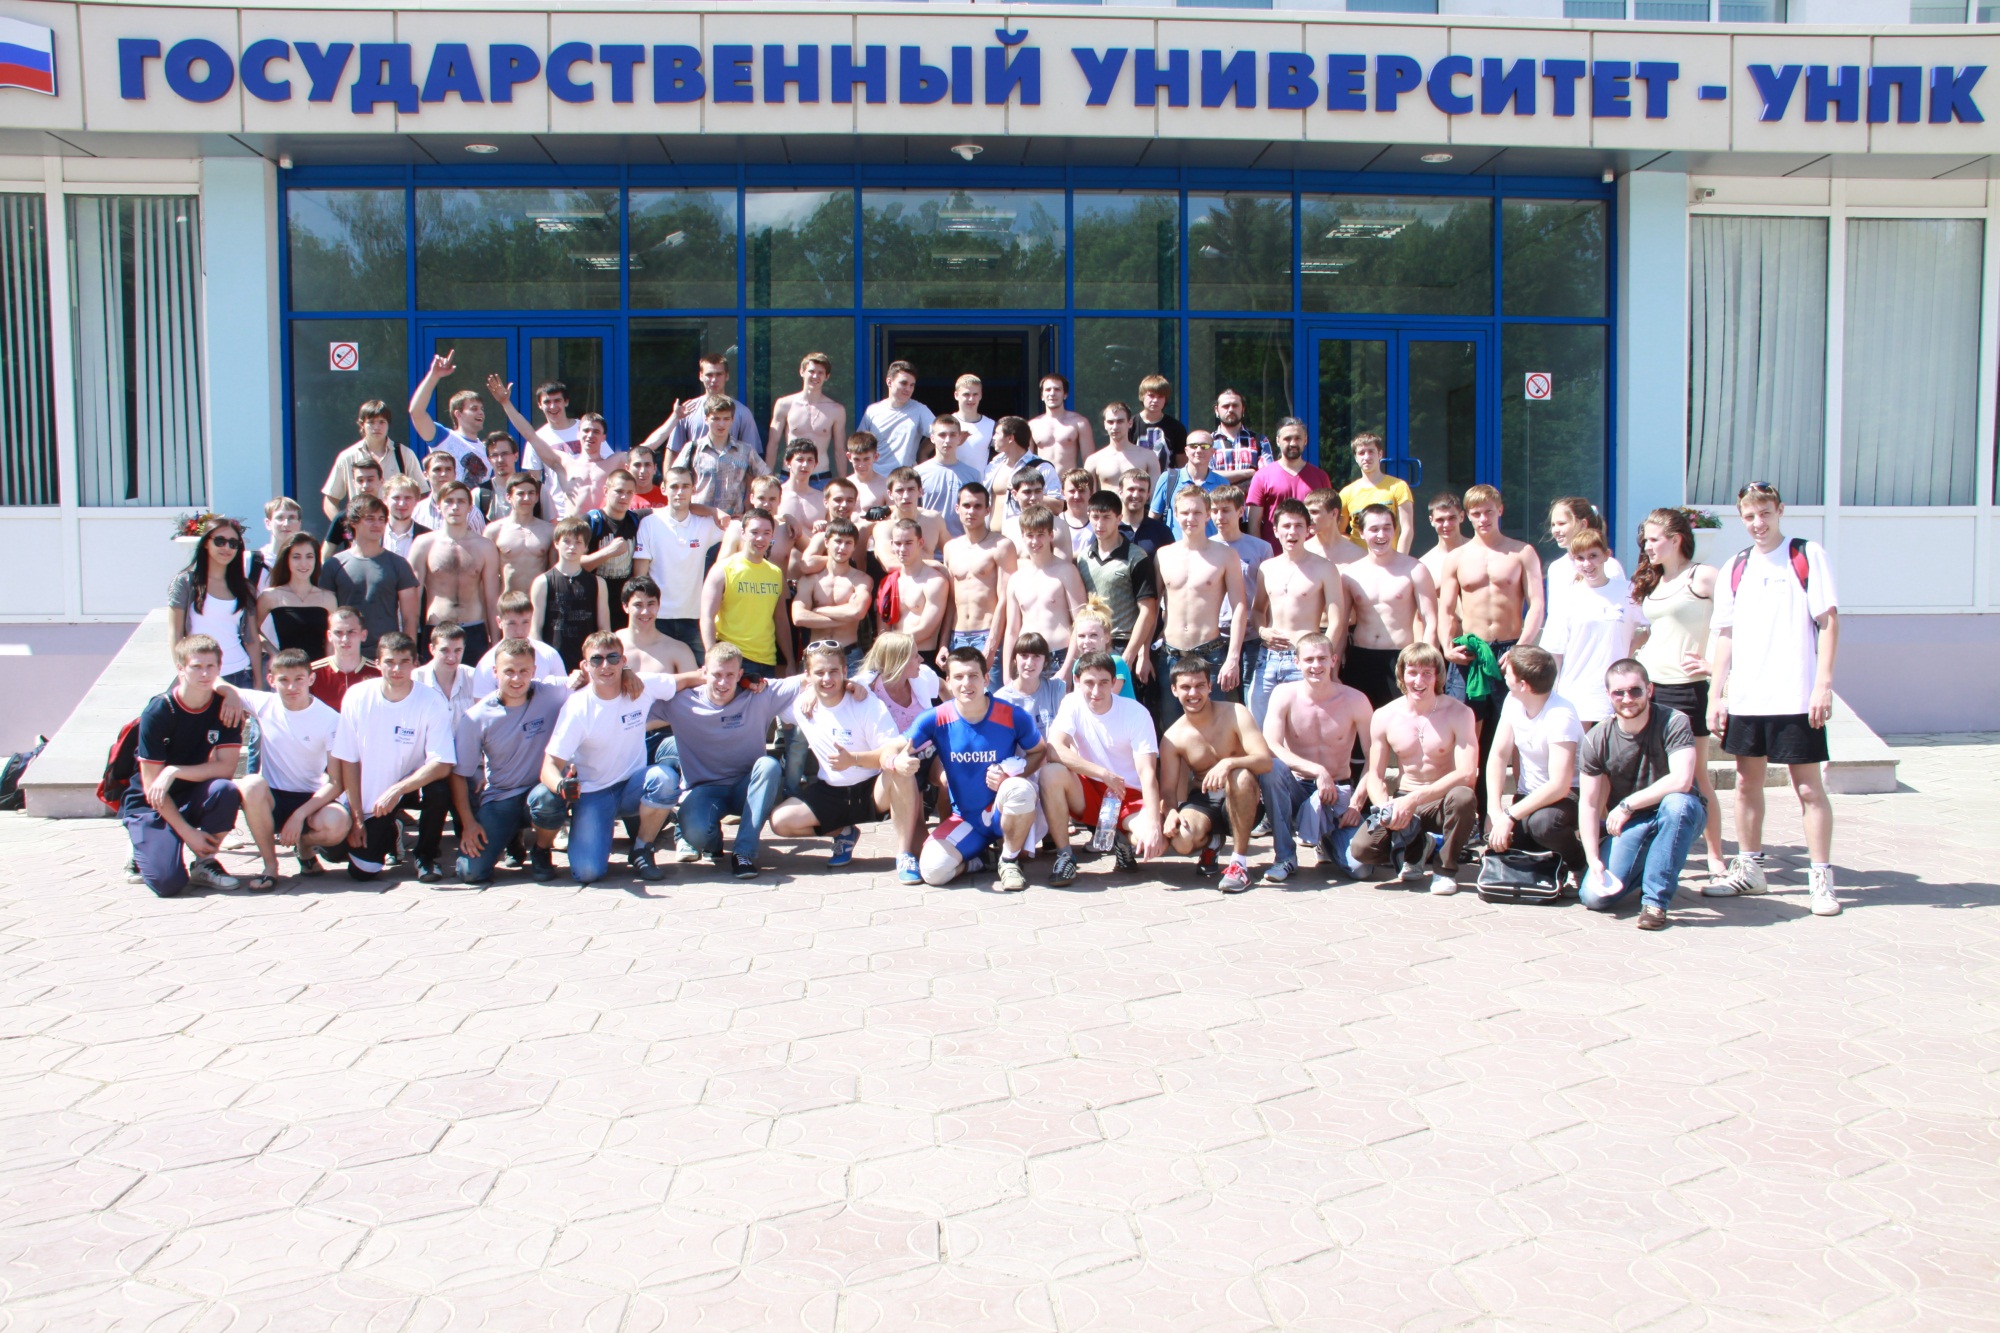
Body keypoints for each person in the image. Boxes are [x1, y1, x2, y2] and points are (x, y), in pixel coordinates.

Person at [1706, 482, 1841, 915]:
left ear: (1780, 510)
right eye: (1749, 516)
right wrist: (1716, 695)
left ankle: (1821, 879)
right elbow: (1724, 634)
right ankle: (1750, 871)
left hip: (1796, 696)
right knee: (1747, 783)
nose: (1758, 523)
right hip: (1748, 698)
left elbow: (1829, 622)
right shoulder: (1735, 566)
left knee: (1808, 788)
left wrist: (1822, 685)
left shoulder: (1806, 555)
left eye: (1765, 513)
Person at [531, 631, 685, 885]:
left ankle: (642, 849)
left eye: (613, 658)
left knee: (665, 779)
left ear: (623, 661)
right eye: (597, 659)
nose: (605, 665)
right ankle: (576, 835)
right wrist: (561, 786)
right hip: (594, 791)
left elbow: (692, 678)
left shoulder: (641, 685)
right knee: (587, 873)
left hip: (633, 785)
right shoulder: (577, 707)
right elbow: (549, 765)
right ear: (585, 665)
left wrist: (745, 682)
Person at [656, 642, 817, 878]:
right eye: (717, 675)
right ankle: (711, 841)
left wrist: (813, 689)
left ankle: (744, 853)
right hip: (705, 789)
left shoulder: (759, 694)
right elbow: (638, 694)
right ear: (704, 672)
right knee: (697, 834)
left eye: (730, 675)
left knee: (769, 766)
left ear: (741, 674)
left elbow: (815, 676)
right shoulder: (681, 701)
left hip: (746, 785)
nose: (723, 683)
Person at [896, 646, 1048, 890]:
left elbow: (1039, 751)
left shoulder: (1013, 715)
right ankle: (980, 862)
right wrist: (888, 760)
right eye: (958, 677)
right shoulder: (935, 717)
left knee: (1020, 788)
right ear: (948, 681)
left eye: (973, 676)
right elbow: (893, 747)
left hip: (1003, 811)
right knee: (933, 872)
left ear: (986, 679)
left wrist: (1013, 773)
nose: (966, 683)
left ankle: (1009, 861)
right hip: (967, 820)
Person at [1630, 506, 1728, 877]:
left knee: (1696, 775)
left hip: (1687, 689)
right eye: (1645, 540)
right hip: (1651, 688)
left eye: (1654, 540)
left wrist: (1714, 665)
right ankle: (1655, 850)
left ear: (1676, 539)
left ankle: (1716, 855)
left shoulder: (1703, 576)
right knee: (1653, 774)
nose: (1647, 546)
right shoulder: (1654, 580)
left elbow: (1735, 624)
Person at [1580, 659, 1708, 930]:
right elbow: (1589, 804)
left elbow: (1682, 779)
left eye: (1635, 690)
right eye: (1619, 692)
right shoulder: (1597, 737)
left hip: (1677, 813)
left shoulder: (1674, 721)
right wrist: (1592, 858)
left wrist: (1627, 804)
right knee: (1593, 897)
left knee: (1678, 804)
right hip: (1632, 823)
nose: (1627, 699)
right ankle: (1653, 867)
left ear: (1649, 690)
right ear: (1608, 695)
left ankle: (1655, 902)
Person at [1438, 484, 1543, 812]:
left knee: (1516, 734)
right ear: (1467, 517)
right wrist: (1446, 647)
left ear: (1500, 510)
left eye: (1488, 511)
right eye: (1476, 513)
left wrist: (1522, 648)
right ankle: (1467, 813)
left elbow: (1537, 605)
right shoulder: (1456, 557)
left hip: (1511, 651)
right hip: (1470, 654)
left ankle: (1518, 809)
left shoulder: (1521, 552)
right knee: (1466, 737)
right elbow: (1445, 609)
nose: (1483, 518)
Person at [769, 642, 922, 867]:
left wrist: (853, 760)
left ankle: (904, 855)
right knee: (780, 821)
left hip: (872, 790)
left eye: (833, 671)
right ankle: (843, 833)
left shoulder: (865, 702)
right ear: (808, 676)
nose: (827, 679)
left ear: (844, 671)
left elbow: (890, 750)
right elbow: (766, 690)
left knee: (900, 768)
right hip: (830, 791)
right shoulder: (801, 705)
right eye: (819, 673)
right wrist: (809, 688)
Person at [124, 636, 247, 896]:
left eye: (211, 666)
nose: (205, 674)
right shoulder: (159, 711)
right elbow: (152, 786)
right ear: (180, 668)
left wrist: (175, 771)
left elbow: (226, 768)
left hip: (190, 792)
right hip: (151, 802)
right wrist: (189, 833)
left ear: (219, 668)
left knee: (225, 790)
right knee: (168, 883)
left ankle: (205, 863)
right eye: (196, 666)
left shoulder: (226, 707)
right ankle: (140, 846)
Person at [1351, 643, 1478, 894]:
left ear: (1437, 676)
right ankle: (1417, 846)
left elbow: (1467, 774)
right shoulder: (1385, 715)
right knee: (1362, 850)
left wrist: (1414, 800)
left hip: (1442, 800)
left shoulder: (1459, 713)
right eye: (1412, 672)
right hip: (1404, 797)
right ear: (1401, 674)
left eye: (1427, 673)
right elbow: (1375, 775)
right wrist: (1386, 807)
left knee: (1464, 797)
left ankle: (1445, 870)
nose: (1419, 681)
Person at [331, 632, 456, 882]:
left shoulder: (431, 700)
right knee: (353, 866)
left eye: (404, 662)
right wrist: (357, 818)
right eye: (389, 662)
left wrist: (398, 789)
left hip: (411, 785)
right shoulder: (357, 696)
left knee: (439, 790)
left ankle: (426, 856)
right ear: (377, 663)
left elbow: (442, 764)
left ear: (415, 664)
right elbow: (348, 760)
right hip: (371, 796)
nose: (396, 669)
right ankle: (392, 831)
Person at [225, 647, 349, 885]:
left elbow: (336, 783)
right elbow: (217, 683)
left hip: (311, 798)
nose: (292, 687)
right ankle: (270, 866)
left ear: (311, 679)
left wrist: (299, 816)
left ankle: (304, 846)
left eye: (299, 679)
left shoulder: (330, 719)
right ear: (271, 680)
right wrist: (230, 694)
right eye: (283, 680)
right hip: (273, 797)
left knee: (338, 824)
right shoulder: (264, 703)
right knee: (250, 784)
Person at [451, 638, 570, 884]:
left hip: (539, 792)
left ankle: (541, 849)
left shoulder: (552, 692)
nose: (517, 679)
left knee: (548, 798)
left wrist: (625, 672)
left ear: (534, 671)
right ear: (495, 672)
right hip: (501, 798)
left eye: (524, 671)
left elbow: (595, 678)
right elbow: (458, 774)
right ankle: (510, 837)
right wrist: (469, 823)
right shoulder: (476, 717)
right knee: (470, 872)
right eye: (509, 671)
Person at [1040, 650, 1164, 885]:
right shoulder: (1071, 703)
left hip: (1128, 794)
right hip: (1090, 788)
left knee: (1153, 841)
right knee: (1050, 773)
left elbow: (1147, 773)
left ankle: (1123, 840)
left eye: (1104, 682)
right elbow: (1054, 749)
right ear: (1077, 680)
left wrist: (1155, 824)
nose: (1096, 691)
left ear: (1114, 682)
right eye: (1089, 683)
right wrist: (1102, 773)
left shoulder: (1136, 712)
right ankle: (1065, 856)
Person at [1261, 632, 1372, 882]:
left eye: (1322, 658)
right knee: (1272, 768)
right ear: (1297, 662)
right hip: (1297, 789)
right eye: (1309, 659)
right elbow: (1271, 745)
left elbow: (1374, 757)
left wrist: (1356, 804)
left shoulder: (1355, 700)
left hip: (1337, 793)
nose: (1316, 666)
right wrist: (1318, 770)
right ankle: (1285, 857)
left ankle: (1327, 838)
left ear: (1334, 660)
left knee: (1361, 869)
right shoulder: (1284, 694)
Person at [1158, 659, 1275, 894]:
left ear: (1210, 686)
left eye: (1200, 686)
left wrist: (1229, 763)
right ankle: (1212, 841)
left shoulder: (1235, 713)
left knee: (1240, 775)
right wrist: (1170, 812)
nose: (1193, 693)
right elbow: (1168, 790)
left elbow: (1265, 761)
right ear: (1174, 690)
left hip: (1243, 795)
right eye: (1185, 687)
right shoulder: (1173, 737)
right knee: (1182, 841)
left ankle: (1239, 864)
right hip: (1204, 798)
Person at [1484, 645, 1587, 879]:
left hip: (1567, 796)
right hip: (1528, 794)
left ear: (1523, 685)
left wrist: (1509, 816)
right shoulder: (1513, 700)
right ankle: (1551, 863)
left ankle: (1580, 864)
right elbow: (1498, 755)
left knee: (1543, 825)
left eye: (1508, 673)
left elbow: (1559, 785)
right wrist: (1494, 811)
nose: (1504, 676)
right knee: (1504, 841)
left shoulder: (1560, 716)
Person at [1154, 488, 1250, 727]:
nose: (1191, 518)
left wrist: (1233, 657)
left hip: (1210, 654)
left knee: (1216, 728)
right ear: (1176, 514)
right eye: (1185, 512)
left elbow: (1240, 606)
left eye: (1197, 512)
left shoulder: (1226, 555)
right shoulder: (1163, 555)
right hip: (1171, 655)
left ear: (1208, 514)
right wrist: (1144, 653)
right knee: (1172, 729)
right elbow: (1152, 606)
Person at [1247, 498, 1347, 725]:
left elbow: (1337, 620)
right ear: (1275, 530)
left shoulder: (1325, 568)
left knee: (1302, 726)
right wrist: (1262, 631)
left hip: (1304, 659)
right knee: (1260, 724)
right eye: (1286, 526)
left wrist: (1321, 659)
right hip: (1268, 657)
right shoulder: (1267, 568)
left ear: (1308, 529)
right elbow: (1258, 611)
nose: (1292, 532)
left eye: (1298, 526)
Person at [1341, 503, 1439, 710]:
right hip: (1361, 658)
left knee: (1402, 722)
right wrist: (1333, 668)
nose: (1381, 535)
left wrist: (1427, 665)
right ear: (1362, 533)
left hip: (1401, 657)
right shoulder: (1351, 574)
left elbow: (1430, 620)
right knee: (1361, 722)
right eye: (1374, 529)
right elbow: (1341, 624)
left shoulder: (1414, 569)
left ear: (1395, 531)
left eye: (1387, 528)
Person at [1543, 528, 1643, 725]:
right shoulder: (1567, 598)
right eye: (1580, 558)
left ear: (1606, 555)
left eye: (1593, 556)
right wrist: (1553, 692)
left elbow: (1649, 628)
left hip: (1617, 692)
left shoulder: (1627, 591)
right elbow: (1555, 651)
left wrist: (1629, 650)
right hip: (1576, 694)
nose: (1587, 564)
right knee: (1582, 745)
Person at [631, 463, 726, 662]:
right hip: (658, 618)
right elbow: (639, 577)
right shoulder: (649, 524)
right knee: (660, 676)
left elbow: (739, 530)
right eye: (674, 486)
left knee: (702, 674)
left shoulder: (706, 524)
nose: (680, 492)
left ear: (693, 489)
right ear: (663, 489)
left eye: (685, 486)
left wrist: (715, 511)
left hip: (695, 618)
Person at [407, 623, 478, 881]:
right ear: (431, 649)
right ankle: (424, 856)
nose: (451, 657)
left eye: (457, 650)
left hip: (464, 764)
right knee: (437, 793)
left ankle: (472, 846)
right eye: (445, 650)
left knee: (475, 798)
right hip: (426, 763)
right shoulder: (415, 680)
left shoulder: (473, 677)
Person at [408, 481, 502, 666]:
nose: (455, 507)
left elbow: (492, 601)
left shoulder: (485, 547)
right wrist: (410, 646)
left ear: (470, 507)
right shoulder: (424, 544)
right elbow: (412, 601)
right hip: (437, 630)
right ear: (438, 506)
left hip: (474, 630)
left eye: (460, 501)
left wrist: (496, 645)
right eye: (449, 501)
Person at [1073, 490, 1159, 692]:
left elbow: (1148, 610)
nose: (1099, 524)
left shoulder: (1136, 557)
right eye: (1095, 517)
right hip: (1092, 643)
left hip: (1123, 643)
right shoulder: (1083, 557)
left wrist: (1131, 654)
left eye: (1106, 517)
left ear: (1119, 519)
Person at [999, 505, 1086, 705]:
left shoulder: (1066, 571)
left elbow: (1081, 622)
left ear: (1050, 535)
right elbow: (1012, 630)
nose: (1035, 541)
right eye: (1030, 535)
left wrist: (1067, 667)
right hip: (1025, 660)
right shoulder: (1016, 579)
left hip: (1058, 657)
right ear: (1022, 536)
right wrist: (1007, 672)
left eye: (1040, 535)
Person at [169, 516, 263, 694]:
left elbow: (252, 638)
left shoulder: (245, 587)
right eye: (220, 541)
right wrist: (183, 675)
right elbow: (176, 634)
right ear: (206, 543)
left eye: (233, 544)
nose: (227, 548)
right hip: (200, 676)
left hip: (240, 673)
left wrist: (258, 682)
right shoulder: (186, 582)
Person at [318, 497, 420, 660]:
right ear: (353, 522)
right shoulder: (334, 565)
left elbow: (410, 618)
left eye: (381, 519)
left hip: (387, 656)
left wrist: (409, 655)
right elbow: (327, 618)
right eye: (370, 518)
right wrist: (331, 660)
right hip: (346, 654)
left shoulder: (398, 564)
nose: (377, 524)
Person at [701, 508, 793, 681]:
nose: (760, 538)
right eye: (754, 532)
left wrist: (790, 661)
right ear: (743, 533)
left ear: (772, 535)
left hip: (767, 660)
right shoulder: (722, 569)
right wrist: (711, 657)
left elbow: (781, 620)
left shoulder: (775, 573)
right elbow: (707, 617)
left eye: (766, 533)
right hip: (731, 659)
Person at [939, 483, 1016, 685]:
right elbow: (951, 601)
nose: (971, 511)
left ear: (987, 510)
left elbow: (1005, 599)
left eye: (977, 506)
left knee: (993, 697)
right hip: (957, 636)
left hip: (988, 634)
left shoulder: (1001, 545)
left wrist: (991, 645)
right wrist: (943, 643)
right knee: (961, 697)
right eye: (966, 505)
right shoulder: (951, 548)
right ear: (957, 508)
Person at [1212, 486, 1272, 712]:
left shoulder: (1261, 548)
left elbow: (1269, 595)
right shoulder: (1206, 547)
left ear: (1240, 512)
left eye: (1226, 510)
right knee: (1221, 703)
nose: (1220, 517)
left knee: (1253, 699)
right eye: (1215, 511)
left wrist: (1267, 629)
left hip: (1253, 635)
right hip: (1217, 636)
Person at [640, 353, 761, 463]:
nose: (714, 380)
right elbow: (673, 450)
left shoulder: (742, 413)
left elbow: (752, 457)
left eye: (719, 374)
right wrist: (668, 478)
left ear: (727, 376)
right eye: (709, 375)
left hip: (732, 478)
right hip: (694, 478)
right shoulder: (686, 410)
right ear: (701, 376)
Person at [518, 405, 626, 521]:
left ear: (603, 437)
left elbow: (640, 453)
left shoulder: (614, 462)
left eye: (596, 431)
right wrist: (506, 404)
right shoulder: (565, 464)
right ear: (578, 434)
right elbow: (531, 436)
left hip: (603, 527)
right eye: (586, 430)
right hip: (573, 528)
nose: (590, 435)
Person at [793, 519, 873, 675]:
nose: (842, 548)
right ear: (826, 542)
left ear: (854, 546)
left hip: (849, 653)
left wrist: (817, 610)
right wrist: (845, 617)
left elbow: (857, 611)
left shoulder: (862, 579)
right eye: (838, 541)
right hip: (816, 653)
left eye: (848, 543)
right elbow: (799, 617)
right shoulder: (810, 580)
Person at [322, 399, 422, 522]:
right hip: (361, 528)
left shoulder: (405, 454)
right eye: (371, 422)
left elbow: (422, 494)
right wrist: (346, 528)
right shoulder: (347, 457)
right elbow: (330, 500)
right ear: (362, 425)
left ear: (388, 424)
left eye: (382, 422)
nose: (377, 427)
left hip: (397, 528)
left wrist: (410, 525)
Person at [531, 518, 609, 673]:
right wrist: (542, 662)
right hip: (553, 662)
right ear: (556, 543)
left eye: (578, 542)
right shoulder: (543, 582)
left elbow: (604, 629)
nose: (572, 547)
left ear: (586, 547)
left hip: (589, 662)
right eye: (566, 541)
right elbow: (535, 630)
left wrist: (601, 660)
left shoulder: (598, 583)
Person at [408, 351, 498, 481]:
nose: (480, 412)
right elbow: (417, 412)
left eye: (482, 409)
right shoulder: (443, 437)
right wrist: (433, 376)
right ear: (458, 414)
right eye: (474, 408)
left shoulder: (487, 451)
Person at [1244, 417, 1331, 538]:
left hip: (1311, 549)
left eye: (1298, 438)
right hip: (1273, 548)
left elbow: (1329, 521)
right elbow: (1254, 524)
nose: (1293, 443)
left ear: (1305, 440)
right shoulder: (1262, 477)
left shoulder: (1320, 477)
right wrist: (1258, 550)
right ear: (1278, 441)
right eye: (1287, 438)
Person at [1545, 496, 1626, 621]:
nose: (1555, 530)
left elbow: (1619, 612)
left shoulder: (1608, 565)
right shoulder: (1557, 568)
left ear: (1583, 524)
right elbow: (1554, 616)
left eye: (1561, 523)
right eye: (1553, 525)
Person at [257, 533, 337, 660]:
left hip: (320, 668)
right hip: (287, 669)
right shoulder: (270, 596)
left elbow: (332, 641)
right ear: (286, 560)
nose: (303, 563)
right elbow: (252, 629)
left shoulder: (328, 598)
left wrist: (329, 668)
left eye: (309, 557)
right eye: (296, 557)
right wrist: (274, 653)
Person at [768, 351, 846, 481]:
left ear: (827, 376)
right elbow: (773, 444)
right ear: (802, 372)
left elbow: (840, 450)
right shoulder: (784, 404)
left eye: (820, 373)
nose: (815, 376)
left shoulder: (836, 410)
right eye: (811, 371)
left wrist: (843, 482)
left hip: (821, 478)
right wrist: (767, 478)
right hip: (789, 477)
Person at [581, 469, 644, 630]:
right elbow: (576, 564)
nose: (624, 497)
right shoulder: (591, 521)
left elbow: (671, 510)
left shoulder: (635, 520)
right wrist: (608, 551)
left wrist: (707, 510)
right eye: (619, 491)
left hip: (623, 603)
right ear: (606, 490)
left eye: (629, 492)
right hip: (592, 601)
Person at [879, 518, 950, 660]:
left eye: (908, 543)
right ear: (892, 545)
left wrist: (891, 645)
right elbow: (883, 626)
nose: (902, 549)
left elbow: (926, 630)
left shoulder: (935, 581)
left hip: (921, 655)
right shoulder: (889, 581)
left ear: (920, 543)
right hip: (893, 656)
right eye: (898, 543)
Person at [1338, 434, 1415, 553]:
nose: (1366, 457)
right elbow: (1339, 532)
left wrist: (1401, 559)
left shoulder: (1398, 486)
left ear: (1380, 454)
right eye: (1361, 453)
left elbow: (1407, 529)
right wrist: (1354, 550)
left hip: (1390, 559)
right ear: (1355, 458)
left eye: (1371, 451)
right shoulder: (1346, 493)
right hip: (1359, 560)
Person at [858, 359, 936, 471]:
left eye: (912, 385)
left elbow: (941, 435)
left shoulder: (920, 410)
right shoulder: (872, 411)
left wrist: (922, 454)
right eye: (903, 383)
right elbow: (859, 445)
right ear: (889, 382)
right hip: (874, 476)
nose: (908, 389)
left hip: (904, 478)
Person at [1148, 432, 1225, 541]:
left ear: (1213, 451)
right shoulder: (1169, 478)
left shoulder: (1222, 483)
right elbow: (1153, 518)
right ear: (1186, 451)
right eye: (1193, 446)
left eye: (1204, 446)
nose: (1199, 450)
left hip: (1213, 549)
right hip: (1176, 548)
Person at [615, 577, 700, 677]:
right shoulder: (610, 646)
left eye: (651, 604)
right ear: (625, 606)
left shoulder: (678, 650)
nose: (645, 612)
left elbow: (694, 685)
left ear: (659, 606)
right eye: (638, 605)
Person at [488, 472, 554, 596]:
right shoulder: (494, 531)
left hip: (539, 601)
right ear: (508, 497)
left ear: (537, 497)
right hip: (507, 601)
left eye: (531, 493)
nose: (526, 498)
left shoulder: (549, 531)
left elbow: (554, 574)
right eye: (520, 493)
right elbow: (488, 575)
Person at [1060, 599, 1139, 700]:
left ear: (1107, 638)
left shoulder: (1116, 663)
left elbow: (1103, 701)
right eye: (1081, 636)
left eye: (1093, 635)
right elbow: (1079, 701)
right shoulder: (1078, 664)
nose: (1086, 641)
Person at [917, 416, 981, 539]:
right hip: (928, 545)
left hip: (963, 544)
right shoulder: (918, 473)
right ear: (932, 438)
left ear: (959, 438)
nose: (947, 440)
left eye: (952, 435)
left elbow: (979, 514)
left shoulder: (973, 475)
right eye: (942, 435)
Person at [871, 466, 949, 565]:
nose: (906, 496)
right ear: (890, 494)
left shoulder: (934, 520)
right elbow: (889, 563)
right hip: (902, 575)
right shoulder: (884, 527)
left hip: (931, 574)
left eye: (911, 489)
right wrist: (935, 565)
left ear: (920, 491)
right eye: (900, 490)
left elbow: (952, 552)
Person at [984, 416, 1060, 515]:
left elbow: (1058, 506)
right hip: (991, 525)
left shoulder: (1041, 467)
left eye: (997, 433)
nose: (993, 437)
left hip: (1024, 524)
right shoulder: (994, 465)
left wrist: (1028, 494)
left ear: (1010, 438)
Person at [310, 608, 379, 711]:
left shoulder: (379, 673)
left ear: (363, 635)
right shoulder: (312, 673)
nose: (345, 639)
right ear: (329, 636)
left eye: (351, 632)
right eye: (338, 633)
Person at [1084, 401, 1159, 495]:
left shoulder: (1149, 457)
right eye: (1110, 422)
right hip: (1107, 504)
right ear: (1105, 425)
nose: (1115, 427)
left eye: (1120, 421)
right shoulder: (1093, 460)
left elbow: (1155, 497)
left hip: (1140, 504)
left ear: (1130, 423)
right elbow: (1089, 498)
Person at [996, 633, 1065, 734]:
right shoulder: (1001, 699)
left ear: (1045, 661)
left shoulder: (1057, 689)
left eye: (1036, 656)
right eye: (1024, 655)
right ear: (1015, 659)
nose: (1029, 663)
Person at [321, 458, 386, 562]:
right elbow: (325, 555)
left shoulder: (389, 514)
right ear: (354, 483)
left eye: (370, 480)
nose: (365, 485)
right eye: (360, 480)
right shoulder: (343, 517)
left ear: (381, 481)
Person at [1001, 469, 1072, 562]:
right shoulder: (1009, 526)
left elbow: (1063, 566)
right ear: (1014, 494)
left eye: (1038, 491)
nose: (1033, 497)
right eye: (1027, 492)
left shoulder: (1058, 525)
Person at [412, 448, 487, 535]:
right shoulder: (417, 511)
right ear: (426, 475)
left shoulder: (471, 513)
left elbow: (479, 542)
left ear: (455, 474)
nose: (443, 474)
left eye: (448, 469)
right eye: (437, 469)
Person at [1029, 373, 1093, 473]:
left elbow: (1089, 461)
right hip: (1042, 481)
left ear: (1065, 395)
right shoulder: (1032, 425)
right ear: (1042, 396)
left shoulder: (1080, 422)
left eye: (1057, 389)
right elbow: (1027, 462)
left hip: (1069, 481)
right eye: (1048, 390)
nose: (1052, 393)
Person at [774, 439, 828, 555]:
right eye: (800, 459)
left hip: (813, 559)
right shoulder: (775, 495)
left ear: (815, 464)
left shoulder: (822, 499)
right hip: (782, 559)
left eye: (810, 460)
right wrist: (784, 518)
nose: (805, 465)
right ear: (787, 463)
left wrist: (825, 528)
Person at [1209, 389, 1270, 486]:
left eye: (1235, 405)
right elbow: (1207, 477)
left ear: (1243, 409)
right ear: (1217, 410)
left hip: (1250, 496)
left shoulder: (1260, 441)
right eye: (1226, 406)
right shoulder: (1208, 442)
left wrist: (1223, 477)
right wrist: (1249, 472)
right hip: (1216, 497)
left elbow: (1267, 477)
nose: (1230, 410)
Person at [1134, 374, 1188, 475]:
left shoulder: (1176, 427)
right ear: (1142, 396)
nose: (1155, 400)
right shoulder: (1130, 425)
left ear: (1165, 399)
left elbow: (1182, 464)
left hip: (1167, 481)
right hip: (1135, 481)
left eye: (1160, 397)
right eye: (1151, 395)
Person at [1117, 468, 1176, 556]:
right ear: (1120, 492)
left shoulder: (1162, 531)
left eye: (1141, 490)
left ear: (1148, 495)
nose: (1136, 495)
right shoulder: (1109, 528)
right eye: (1131, 489)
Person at [249, 497, 304, 590]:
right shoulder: (251, 561)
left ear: (299, 523)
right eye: (279, 518)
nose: (286, 524)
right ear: (268, 523)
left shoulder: (307, 562)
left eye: (291, 518)